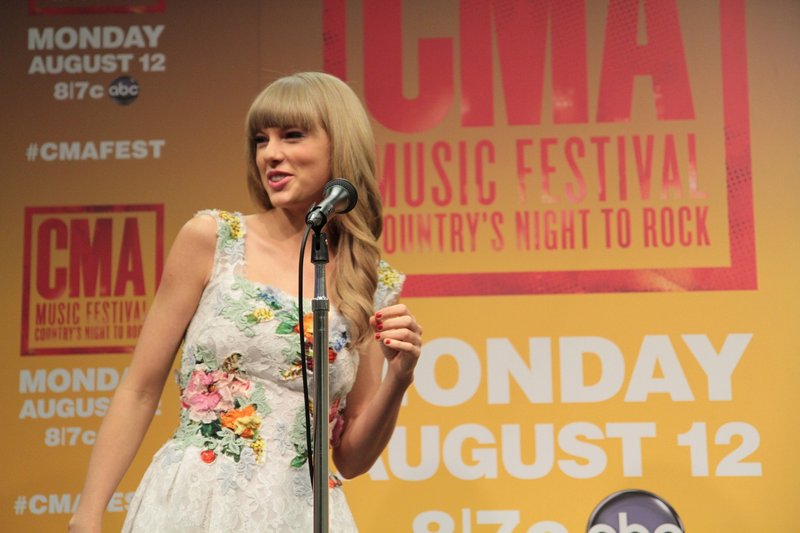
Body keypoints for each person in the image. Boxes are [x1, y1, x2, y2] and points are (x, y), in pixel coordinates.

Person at [68, 72, 423, 532]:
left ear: (341, 146)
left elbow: (352, 458)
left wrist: (400, 378)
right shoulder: (213, 239)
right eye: (261, 139)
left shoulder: (369, 282)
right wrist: (88, 514)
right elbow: (139, 389)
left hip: (303, 514)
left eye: (291, 135)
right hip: (200, 503)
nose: (270, 153)